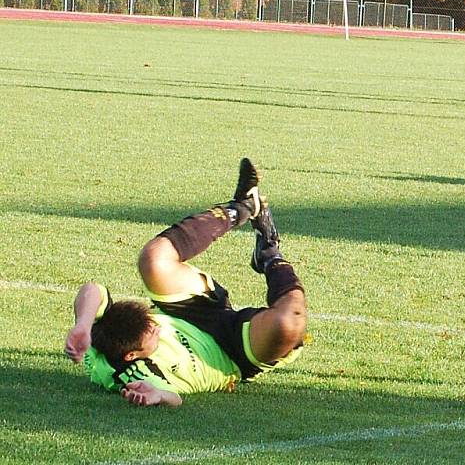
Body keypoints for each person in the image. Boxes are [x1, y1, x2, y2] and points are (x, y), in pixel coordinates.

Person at [64, 158, 307, 407]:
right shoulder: (135, 375)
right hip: (228, 353)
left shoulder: (99, 337)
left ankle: (242, 207)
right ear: (132, 355)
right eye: (152, 333)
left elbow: (92, 290)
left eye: (151, 323)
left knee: (153, 259)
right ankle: (269, 253)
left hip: (189, 312)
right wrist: (156, 396)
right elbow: (174, 398)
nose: (157, 328)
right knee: (288, 323)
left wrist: (82, 325)